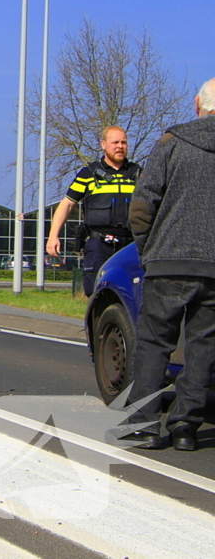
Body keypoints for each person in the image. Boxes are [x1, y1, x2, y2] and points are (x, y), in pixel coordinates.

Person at [122, 79, 215, 451]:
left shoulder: (170, 142)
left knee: (153, 343)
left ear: (197, 104)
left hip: (167, 261)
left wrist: (150, 250)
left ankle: (143, 425)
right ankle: (185, 428)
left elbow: (142, 206)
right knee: (203, 346)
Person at [46, 126, 140, 296]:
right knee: (96, 292)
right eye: (115, 142)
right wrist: (53, 236)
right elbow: (67, 204)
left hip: (129, 244)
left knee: (131, 293)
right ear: (103, 145)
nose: (120, 146)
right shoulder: (88, 174)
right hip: (99, 245)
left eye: (123, 142)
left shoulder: (139, 174)